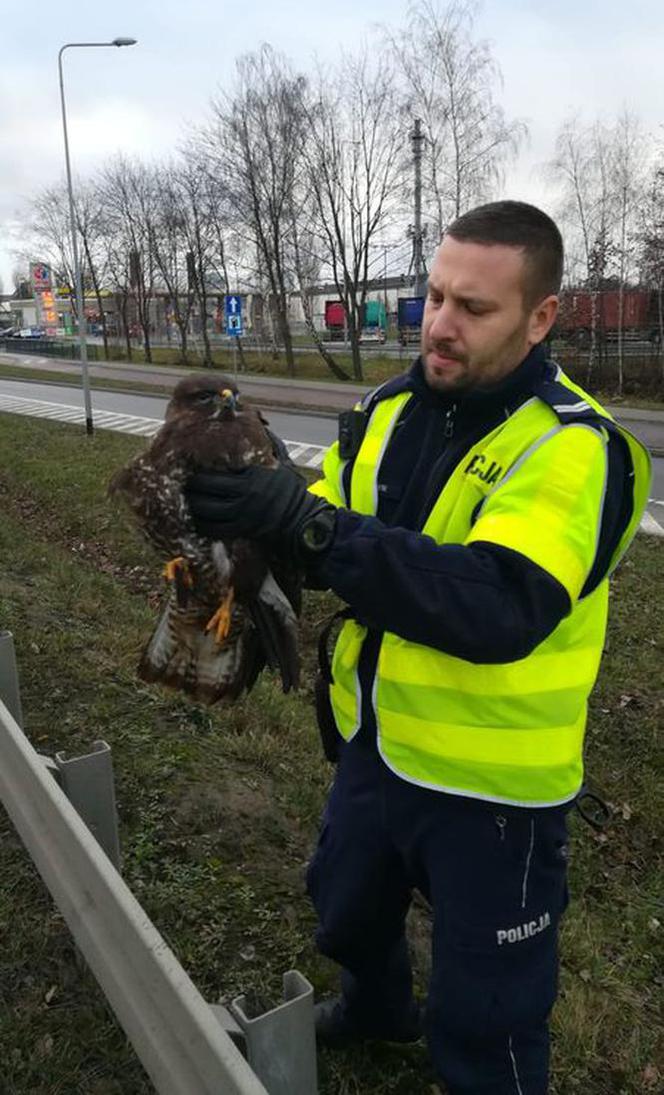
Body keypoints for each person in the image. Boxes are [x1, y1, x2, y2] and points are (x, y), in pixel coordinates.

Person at [186, 201, 651, 1094]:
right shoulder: (389, 407)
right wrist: (260, 504)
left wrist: (315, 530)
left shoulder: (571, 446)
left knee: (488, 1014)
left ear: (541, 316)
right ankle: (378, 1010)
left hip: (495, 787)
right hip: (378, 739)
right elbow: (337, 519)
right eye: (435, 296)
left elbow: (495, 603)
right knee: (346, 905)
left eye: (473, 308)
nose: (439, 323)